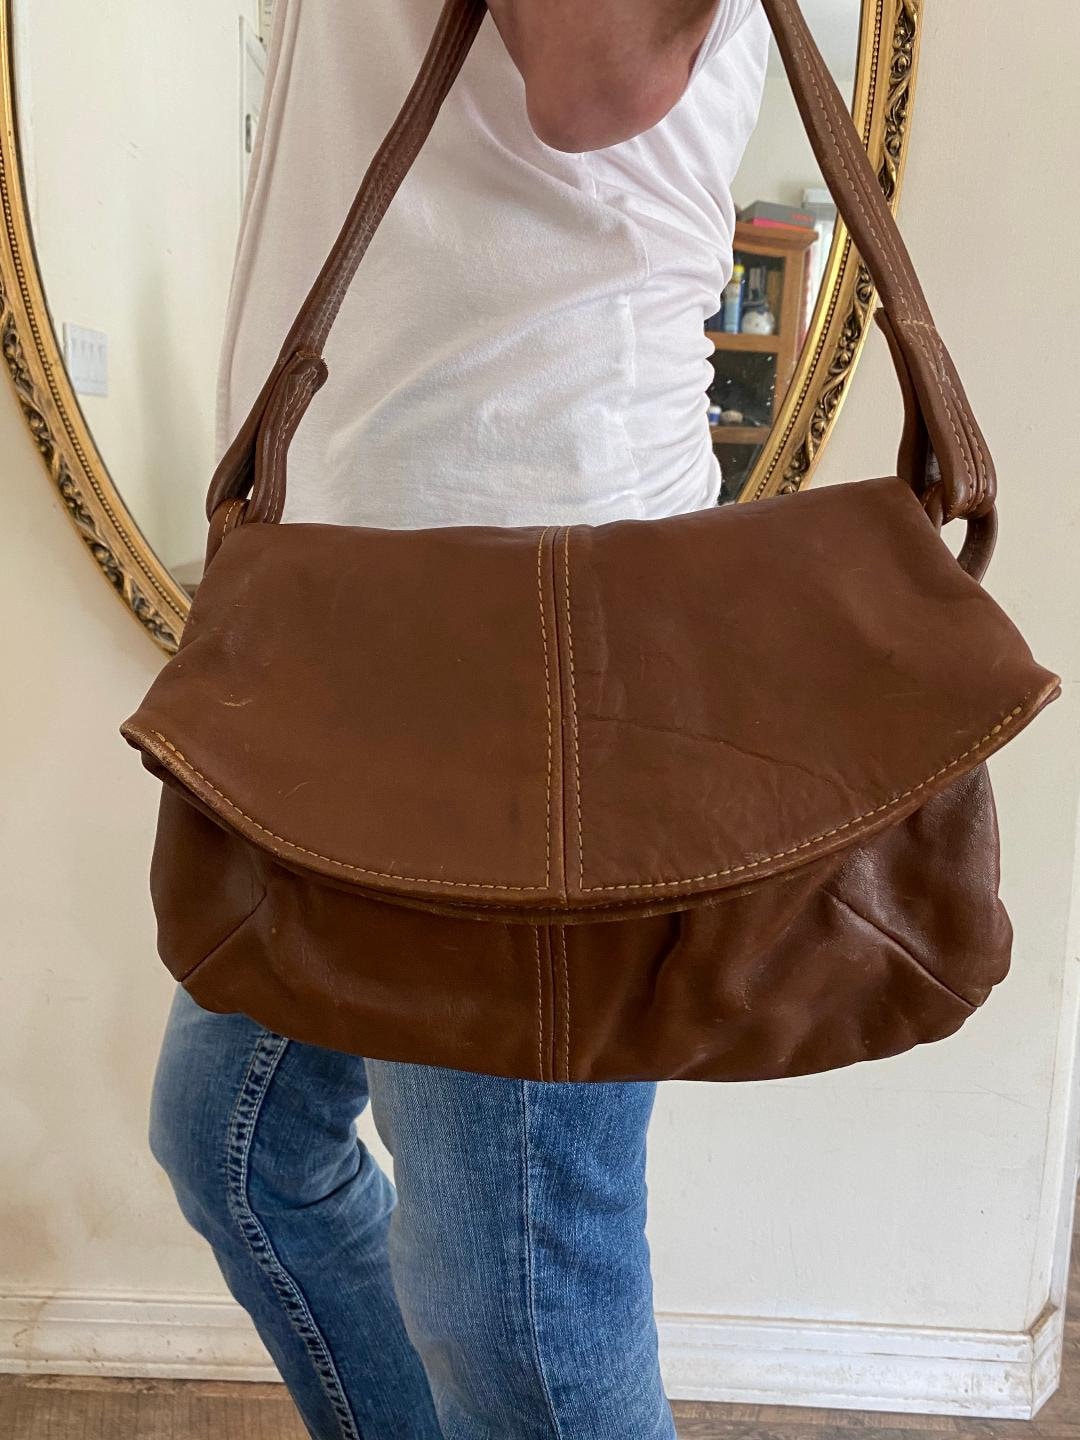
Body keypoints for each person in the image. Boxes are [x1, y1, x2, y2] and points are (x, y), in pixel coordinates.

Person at [150, 1, 768, 1435]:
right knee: (241, 1150)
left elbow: (599, 77)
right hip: (342, 597)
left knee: (512, 1307)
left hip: (534, 614)